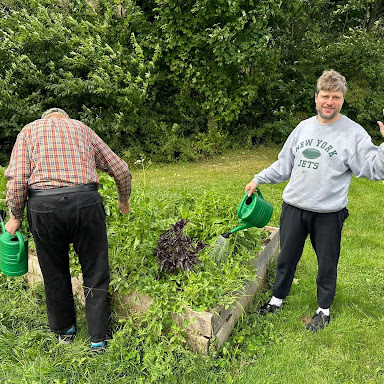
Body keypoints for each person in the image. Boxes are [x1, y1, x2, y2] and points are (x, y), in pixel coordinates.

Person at [245, 70, 384, 331]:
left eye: (336, 97)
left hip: (328, 213)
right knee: (286, 258)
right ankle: (276, 300)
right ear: (316, 97)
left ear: (343, 99)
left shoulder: (353, 133)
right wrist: (258, 179)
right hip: (294, 208)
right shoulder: (303, 128)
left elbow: (375, 169)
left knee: (327, 262)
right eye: (325, 96)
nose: (329, 102)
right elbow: (284, 165)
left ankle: (323, 310)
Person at [4, 107, 132, 351]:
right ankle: (98, 339)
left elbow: (19, 177)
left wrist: (15, 215)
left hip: (44, 205)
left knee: (54, 270)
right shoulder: (82, 129)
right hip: (85, 202)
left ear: (45, 119)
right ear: (65, 119)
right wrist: (123, 199)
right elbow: (121, 169)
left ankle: (66, 331)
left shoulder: (29, 131)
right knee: (95, 269)